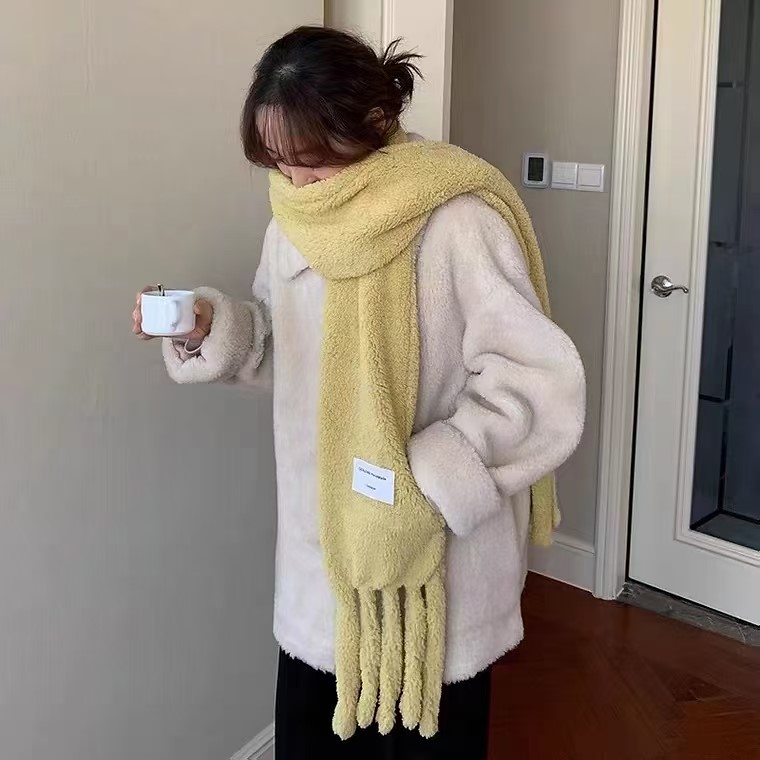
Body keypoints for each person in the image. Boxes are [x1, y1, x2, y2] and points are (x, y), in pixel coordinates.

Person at [132, 26, 585, 760]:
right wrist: (211, 328)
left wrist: (428, 479)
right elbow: (284, 346)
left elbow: (539, 384)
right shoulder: (294, 222)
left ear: (372, 122)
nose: (293, 179)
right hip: (320, 566)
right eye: (275, 158)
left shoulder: (457, 219)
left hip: (430, 577)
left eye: (307, 159)